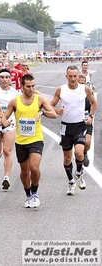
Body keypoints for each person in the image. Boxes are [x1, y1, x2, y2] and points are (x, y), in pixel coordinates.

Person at [3, 74, 57, 207]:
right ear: (22, 87)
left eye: (33, 86)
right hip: (21, 141)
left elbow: (54, 114)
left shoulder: (39, 100)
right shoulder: (15, 101)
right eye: (28, 86)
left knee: (34, 167)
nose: (31, 89)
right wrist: (5, 122)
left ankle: (35, 192)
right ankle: (28, 195)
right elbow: (4, 118)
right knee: (24, 171)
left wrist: (43, 112)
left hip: (36, 139)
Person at [50, 66, 97, 196]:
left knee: (79, 153)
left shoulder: (84, 89)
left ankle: (79, 173)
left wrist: (91, 116)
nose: (72, 79)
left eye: (74, 76)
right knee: (67, 158)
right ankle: (71, 182)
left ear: (78, 76)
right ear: (66, 76)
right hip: (66, 126)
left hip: (80, 125)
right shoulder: (61, 89)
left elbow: (94, 103)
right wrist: (56, 110)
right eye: (70, 76)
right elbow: (51, 104)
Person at [0, 69, 21, 189]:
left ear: (10, 79)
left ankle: (6, 177)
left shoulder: (15, 93)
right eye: (2, 77)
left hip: (9, 123)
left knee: (7, 151)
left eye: (7, 77)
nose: (4, 80)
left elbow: (19, 108)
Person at [78, 73, 96, 167]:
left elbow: (94, 104)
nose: (81, 85)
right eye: (79, 83)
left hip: (86, 120)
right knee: (77, 147)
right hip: (76, 122)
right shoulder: (73, 94)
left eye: (83, 83)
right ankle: (79, 164)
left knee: (87, 142)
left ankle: (85, 153)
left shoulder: (88, 93)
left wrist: (91, 116)